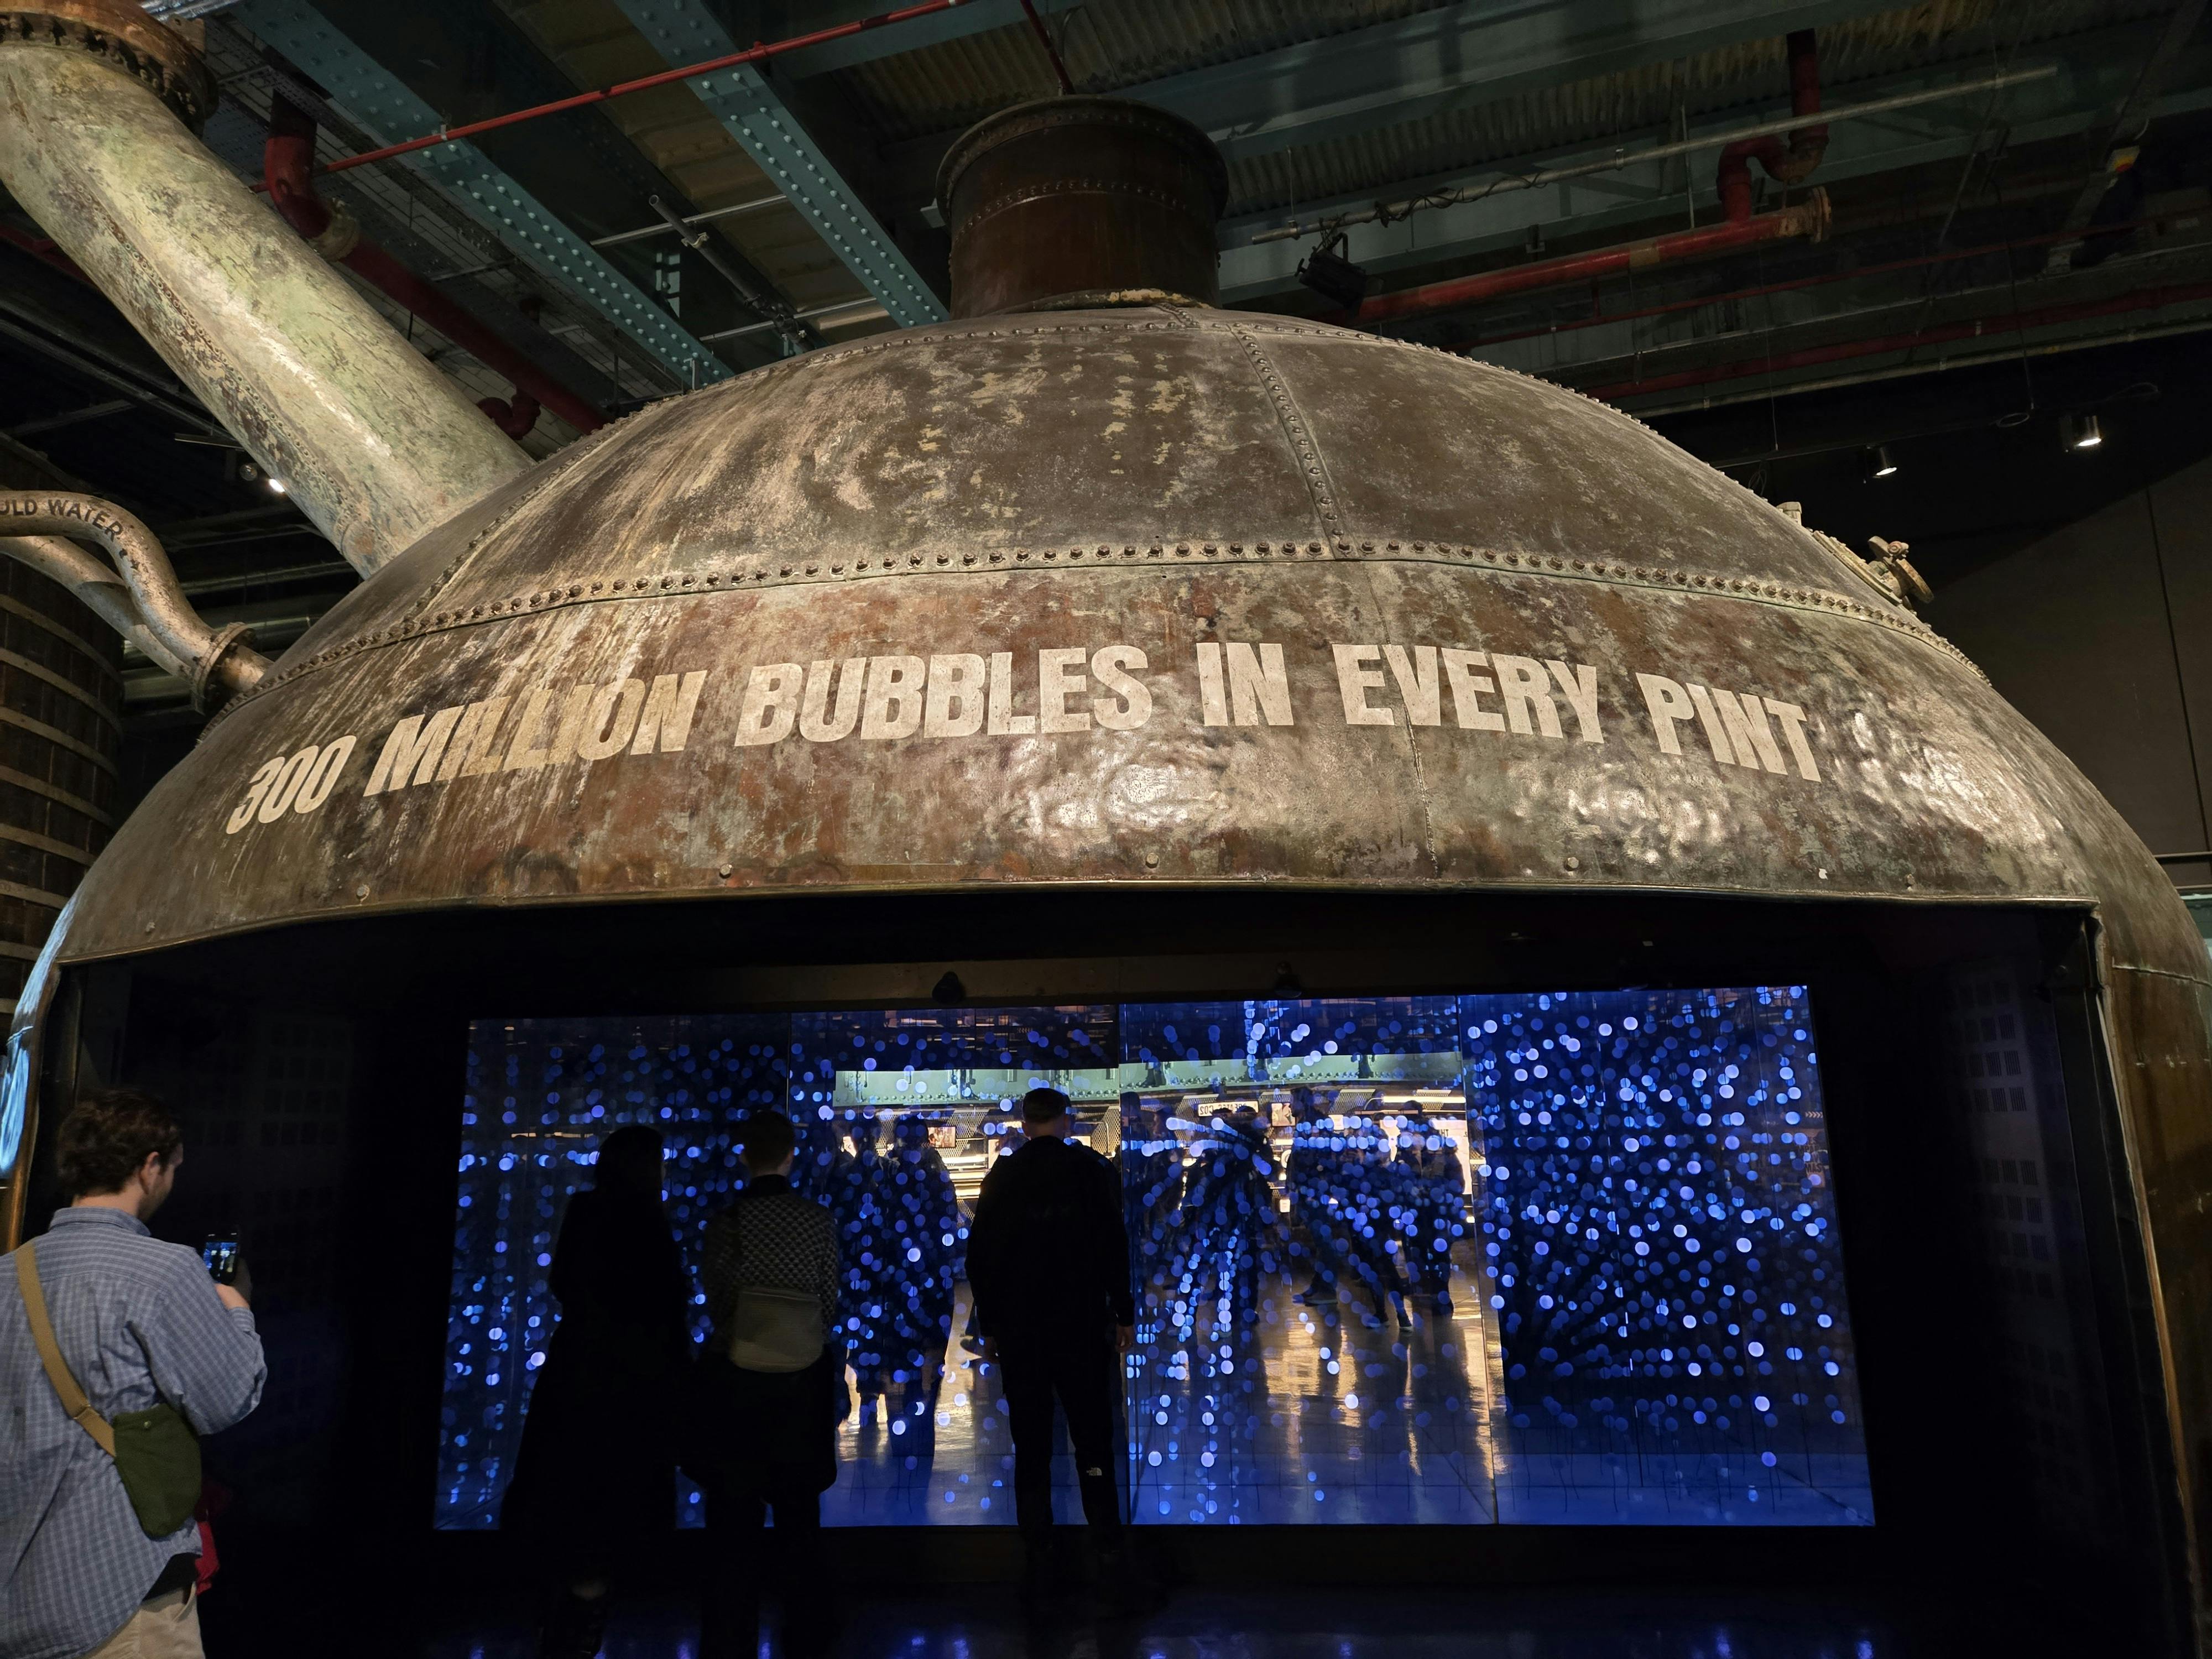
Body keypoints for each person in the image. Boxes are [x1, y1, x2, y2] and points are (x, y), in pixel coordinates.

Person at [1, 1089, 265, 1659]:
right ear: (149, 1167)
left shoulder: (7, 1273)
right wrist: (237, 1310)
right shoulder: (164, 1270)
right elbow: (228, 1400)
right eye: (172, 1168)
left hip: (18, 1592)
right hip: (115, 1587)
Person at [502, 1125, 693, 1659]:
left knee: (573, 1498)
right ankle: (582, 1624)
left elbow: (563, 1282)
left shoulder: (585, 1211)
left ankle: (559, 1622)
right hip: (632, 1381)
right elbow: (667, 1305)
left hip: (578, 1370)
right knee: (609, 1510)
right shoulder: (649, 1222)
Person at [965, 1086, 1135, 1610]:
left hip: (1023, 1331)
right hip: (1080, 1325)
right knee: (1093, 1439)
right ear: (1067, 1121)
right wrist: (1123, 1311)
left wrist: (991, 1326)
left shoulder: (1004, 1176)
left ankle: (1039, 1559)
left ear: (1024, 1123)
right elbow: (1113, 1244)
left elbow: (981, 1257)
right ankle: (1109, 1555)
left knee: (1032, 1445)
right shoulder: (1089, 1171)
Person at [695, 1112, 841, 1659]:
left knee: (736, 1503)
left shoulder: (726, 1222)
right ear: (791, 1155)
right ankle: (804, 1611)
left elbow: (717, 1299)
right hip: (801, 1374)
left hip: (739, 1375)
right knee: (799, 1504)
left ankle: (734, 1612)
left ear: (743, 1156)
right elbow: (828, 1297)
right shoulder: (816, 1220)